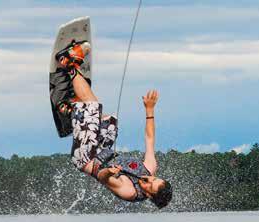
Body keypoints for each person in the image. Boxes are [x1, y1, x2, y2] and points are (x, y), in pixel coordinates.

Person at [56, 41, 172, 208]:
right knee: (110, 122)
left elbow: (103, 178)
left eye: (149, 184)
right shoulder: (150, 168)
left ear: (148, 195)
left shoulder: (129, 191)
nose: (148, 178)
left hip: (86, 158)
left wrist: (109, 173)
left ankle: (68, 63)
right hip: (102, 150)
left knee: (93, 106)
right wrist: (149, 110)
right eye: (154, 178)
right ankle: (70, 112)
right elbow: (150, 138)